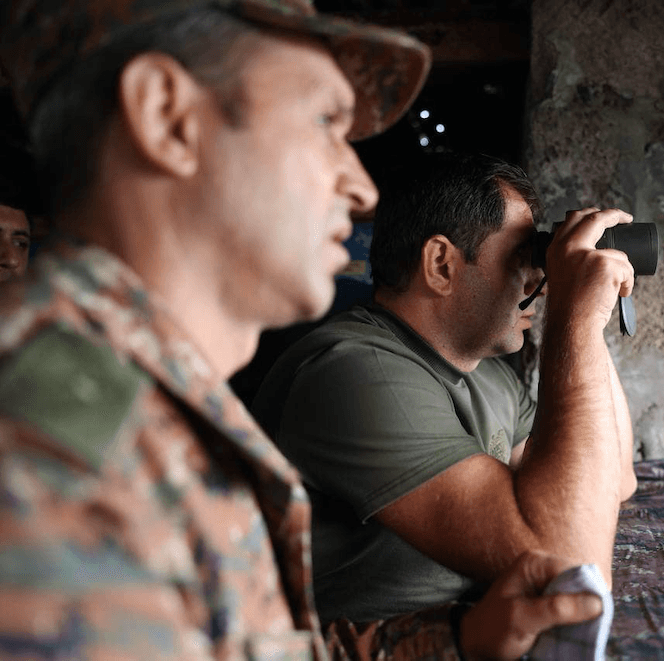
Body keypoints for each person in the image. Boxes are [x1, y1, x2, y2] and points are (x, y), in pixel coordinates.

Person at [0, 2, 605, 659]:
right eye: (324, 122)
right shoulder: (50, 455)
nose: (361, 188)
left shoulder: (154, 399)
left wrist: (455, 640)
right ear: (168, 117)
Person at [251, 152, 639, 625]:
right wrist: (572, 320)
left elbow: (613, 483)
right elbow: (570, 568)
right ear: (441, 264)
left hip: (469, 635)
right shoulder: (353, 372)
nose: (541, 277)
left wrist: (589, 321)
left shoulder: (490, 374)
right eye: (524, 256)